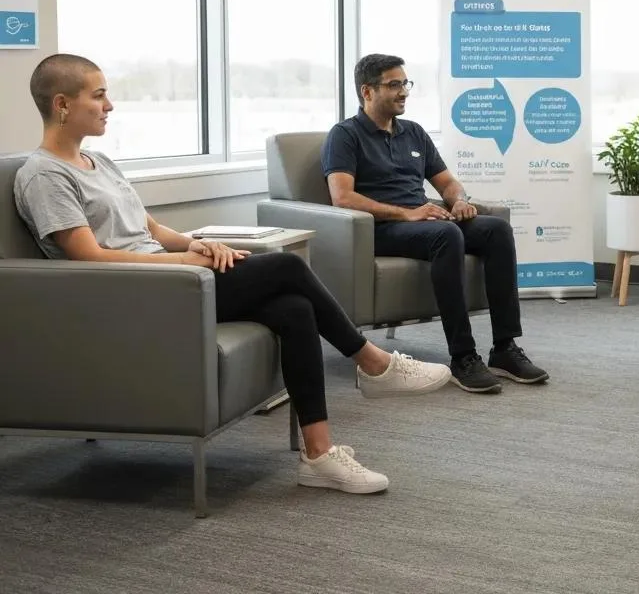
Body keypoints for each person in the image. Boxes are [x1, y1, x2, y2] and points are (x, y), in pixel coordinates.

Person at [15, 53, 453, 497]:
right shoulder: (43, 174)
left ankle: (318, 456)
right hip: (135, 294)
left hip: (169, 279)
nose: (109, 105)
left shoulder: (100, 163)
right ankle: (373, 363)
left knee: (294, 307)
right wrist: (183, 264)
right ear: (62, 104)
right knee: (285, 266)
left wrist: (194, 244)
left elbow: (150, 228)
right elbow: (87, 257)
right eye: (99, 95)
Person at [321, 53, 549, 394]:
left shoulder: (413, 133)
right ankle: (463, 357)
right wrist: (408, 213)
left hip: (424, 223)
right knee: (445, 234)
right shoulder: (345, 135)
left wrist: (459, 201)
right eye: (394, 84)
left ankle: (504, 348)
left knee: (495, 230)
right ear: (367, 92)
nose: (403, 91)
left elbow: (447, 183)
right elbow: (342, 197)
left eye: (405, 83)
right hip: (380, 229)